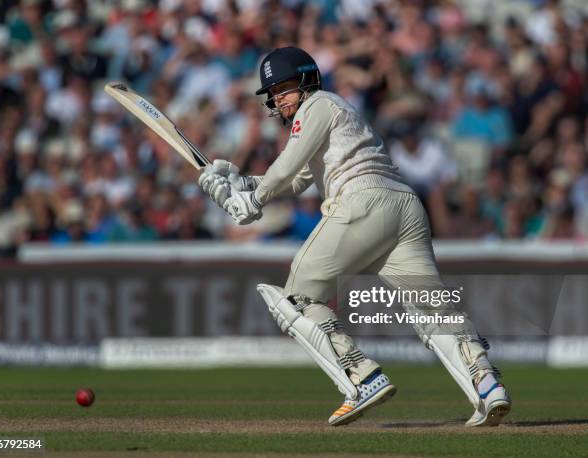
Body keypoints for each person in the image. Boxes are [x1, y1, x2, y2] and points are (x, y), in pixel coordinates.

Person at [198, 46, 511, 427]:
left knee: (296, 298)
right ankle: (487, 384)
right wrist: (242, 183)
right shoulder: (335, 115)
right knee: (430, 307)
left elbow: (287, 167)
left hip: (362, 201)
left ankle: (361, 375)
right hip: (403, 207)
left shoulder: (318, 105)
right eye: (273, 93)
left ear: (307, 79)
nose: (279, 99)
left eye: (285, 88)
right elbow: (297, 179)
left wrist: (254, 198)